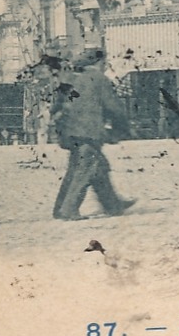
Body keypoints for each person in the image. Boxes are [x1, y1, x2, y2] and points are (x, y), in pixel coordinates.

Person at [51, 53, 135, 221]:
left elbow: (58, 105)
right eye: (105, 62)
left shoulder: (73, 78)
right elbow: (112, 106)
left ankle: (112, 205)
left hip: (71, 132)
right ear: (99, 62)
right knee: (86, 169)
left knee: (95, 167)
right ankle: (69, 209)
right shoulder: (98, 78)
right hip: (88, 132)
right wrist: (123, 127)